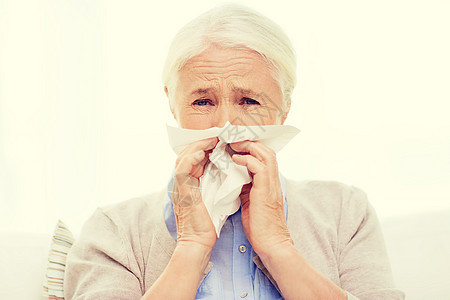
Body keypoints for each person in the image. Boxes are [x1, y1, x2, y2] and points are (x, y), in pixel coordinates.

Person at [64, 4, 405, 300]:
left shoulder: (346, 213)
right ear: (172, 103)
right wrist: (191, 249)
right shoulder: (113, 231)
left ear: (284, 109)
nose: (226, 125)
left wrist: (279, 248)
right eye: (202, 101)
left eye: (249, 101)